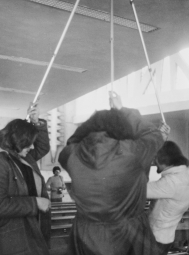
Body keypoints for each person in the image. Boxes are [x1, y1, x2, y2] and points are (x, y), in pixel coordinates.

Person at [58, 92, 170, 255]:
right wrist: (122, 110)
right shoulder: (132, 152)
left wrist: (90, 125)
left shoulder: (71, 155)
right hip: (128, 234)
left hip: (86, 234)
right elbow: (153, 134)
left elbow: (72, 141)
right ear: (123, 128)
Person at [0, 102, 51, 255]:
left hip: (27, 227)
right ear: (18, 141)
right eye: (28, 144)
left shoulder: (20, 155)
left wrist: (37, 123)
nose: (31, 147)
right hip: (12, 235)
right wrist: (35, 203)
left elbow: (43, 148)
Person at [147, 141, 189, 255]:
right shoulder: (184, 174)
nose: (154, 163)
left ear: (162, 158)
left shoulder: (172, 182)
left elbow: (138, 190)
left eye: (155, 158)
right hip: (165, 237)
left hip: (156, 238)